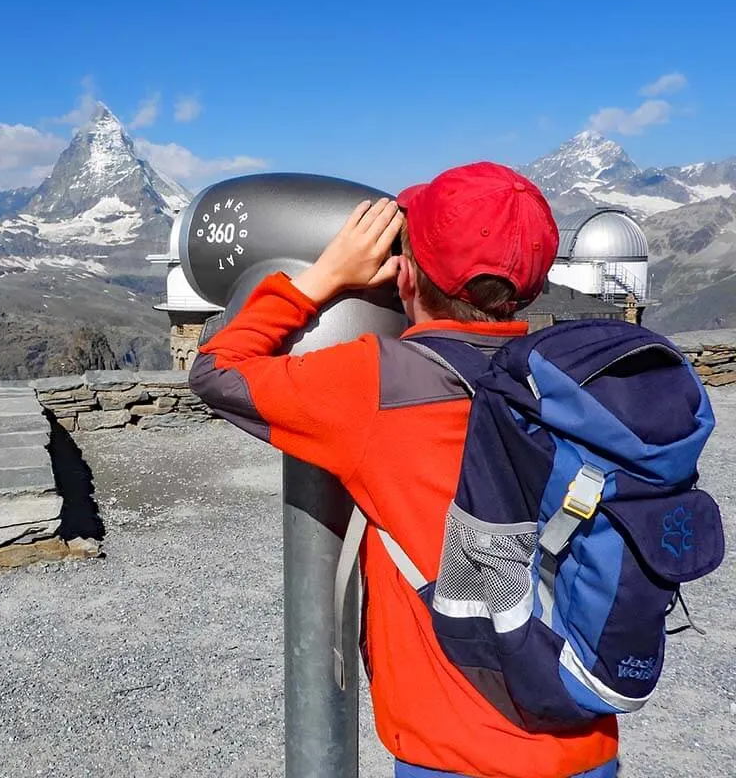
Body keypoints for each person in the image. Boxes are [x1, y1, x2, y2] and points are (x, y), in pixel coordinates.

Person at [188, 162, 619, 778]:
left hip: (455, 753)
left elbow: (216, 370)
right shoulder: (575, 382)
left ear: (406, 276)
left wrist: (320, 280)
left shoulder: (379, 386)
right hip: (584, 738)